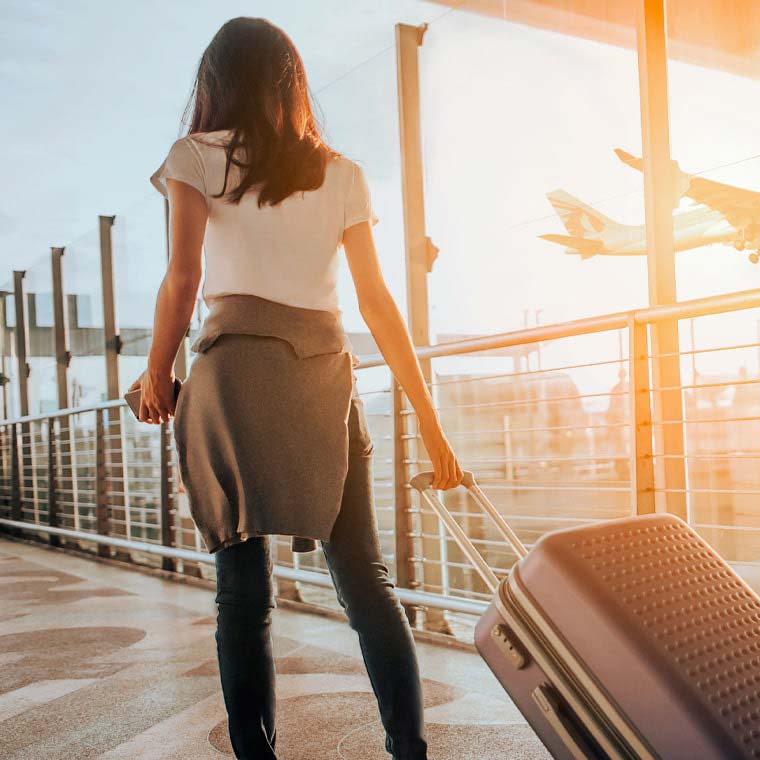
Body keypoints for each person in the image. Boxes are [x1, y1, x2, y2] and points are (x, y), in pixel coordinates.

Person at [130, 17, 461, 760]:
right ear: (293, 85)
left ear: (214, 82)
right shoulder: (340, 173)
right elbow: (377, 305)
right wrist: (432, 429)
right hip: (322, 384)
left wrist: (157, 374)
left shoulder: (193, 157)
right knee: (366, 583)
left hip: (234, 383)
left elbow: (182, 281)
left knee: (242, 598)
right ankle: (408, 748)